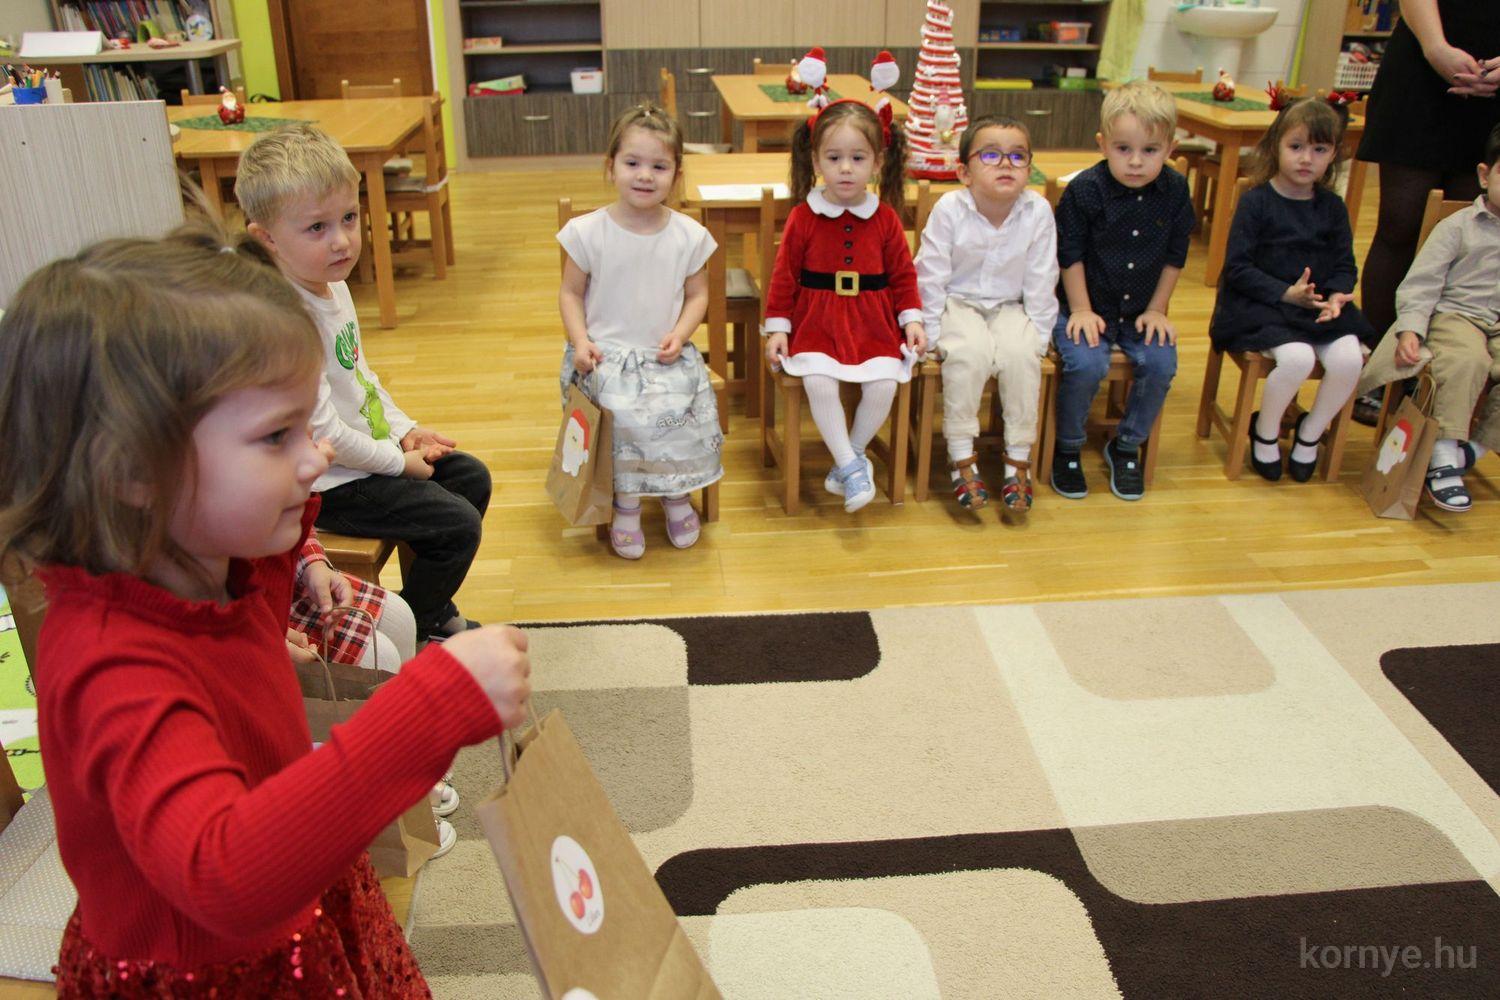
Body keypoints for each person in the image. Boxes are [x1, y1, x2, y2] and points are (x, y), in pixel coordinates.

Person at [0, 226, 531, 995]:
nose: (317, 456)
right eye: (277, 435)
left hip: (301, 913)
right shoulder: (110, 664)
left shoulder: (220, 561)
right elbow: (224, 873)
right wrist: (428, 707)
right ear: (133, 472)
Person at [236, 123, 492, 642]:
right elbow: (325, 436)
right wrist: (399, 463)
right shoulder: (287, 320)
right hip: (328, 484)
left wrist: (405, 431)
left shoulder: (331, 285)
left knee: (470, 478)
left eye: (349, 218)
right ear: (266, 240)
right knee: (457, 524)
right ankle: (418, 620)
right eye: (317, 227)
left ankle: (428, 605)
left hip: (363, 458)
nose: (342, 240)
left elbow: (361, 379)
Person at [557, 103, 723, 559]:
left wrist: (681, 333)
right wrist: (580, 341)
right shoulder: (587, 232)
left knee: (677, 413)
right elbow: (570, 293)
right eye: (632, 163)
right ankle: (626, 504)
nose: (645, 175)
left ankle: (675, 493)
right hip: (605, 357)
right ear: (610, 166)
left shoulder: (688, 235)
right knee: (621, 415)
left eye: (659, 166)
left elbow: (698, 295)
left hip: (664, 357)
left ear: (677, 174)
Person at [764, 99, 925, 512]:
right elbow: (784, 276)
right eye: (834, 158)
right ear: (816, 160)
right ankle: (853, 468)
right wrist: (778, 327)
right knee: (818, 380)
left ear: (878, 162)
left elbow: (903, 275)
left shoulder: (885, 218)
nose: (846, 169)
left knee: (884, 384)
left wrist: (911, 319)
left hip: (873, 323)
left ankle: (847, 460)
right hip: (817, 321)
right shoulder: (803, 216)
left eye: (858, 158)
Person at [1209, 98, 1374, 482]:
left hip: (1316, 307)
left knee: (1349, 360)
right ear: (1275, 146)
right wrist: (1286, 293)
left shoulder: (1332, 207)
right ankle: (1265, 431)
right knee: (1297, 359)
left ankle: (1309, 433)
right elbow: (1237, 268)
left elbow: (1345, 264)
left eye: (1319, 150)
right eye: (1296, 146)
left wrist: (1337, 296)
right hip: (1262, 305)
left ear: (1333, 155)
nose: (1306, 159)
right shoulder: (1256, 202)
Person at [1355, 0, 1500, 421]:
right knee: (1400, 225)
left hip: (1492, 89)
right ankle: (1379, 366)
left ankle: (1444, 373)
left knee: (1476, 233)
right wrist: (1436, 48)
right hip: (1422, 65)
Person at [1050, 82, 1195, 501]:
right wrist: (1080, 309)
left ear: (1170, 148)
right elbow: (1070, 255)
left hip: (1140, 312)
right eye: (1122, 149)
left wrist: (1158, 309)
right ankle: (1068, 446)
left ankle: (1127, 445)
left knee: (1161, 363)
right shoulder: (1085, 190)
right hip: (1084, 306)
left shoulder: (1175, 190)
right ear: (1102, 145)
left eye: (1150, 150)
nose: (1135, 161)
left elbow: (1175, 256)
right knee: (1086, 364)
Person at [914, 114, 1058, 517]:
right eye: (991, 155)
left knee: (1021, 355)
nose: (1006, 164)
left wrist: (1040, 335)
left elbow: (1042, 277)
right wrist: (929, 332)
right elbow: (930, 275)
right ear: (964, 172)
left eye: (1018, 156)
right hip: (957, 303)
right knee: (970, 353)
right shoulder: (950, 208)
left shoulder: (1037, 211)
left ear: (1029, 167)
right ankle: (961, 453)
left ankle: (1017, 459)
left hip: (1011, 306)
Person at [1355, 122, 1500, 512]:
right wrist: (1410, 330)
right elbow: (1421, 284)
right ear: (1484, 175)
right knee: (1468, 360)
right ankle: (1444, 455)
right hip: (1456, 316)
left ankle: (1474, 448)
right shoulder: (1457, 228)